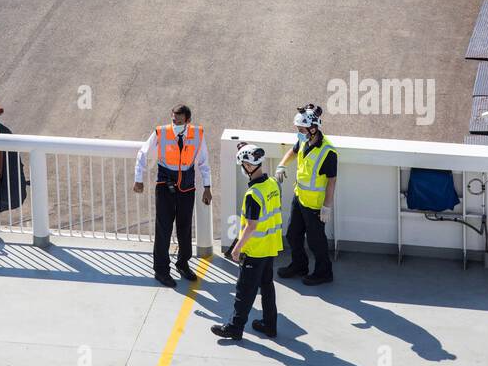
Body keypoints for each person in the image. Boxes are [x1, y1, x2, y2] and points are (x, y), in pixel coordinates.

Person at [134, 104, 212, 286]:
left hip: (187, 186)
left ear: (188, 121)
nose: (175, 123)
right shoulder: (161, 132)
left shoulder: (197, 134)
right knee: (164, 228)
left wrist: (207, 187)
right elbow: (143, 154)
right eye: (173, 119)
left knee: (185, 227)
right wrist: (139, 178)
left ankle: (183, 263)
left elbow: (203, 162)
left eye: (179, 120)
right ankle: (161, 271)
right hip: (165, 185)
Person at [211, 144, 282, 342]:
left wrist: (236, 249)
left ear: (249, 166)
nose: (242, 168)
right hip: (271, 246)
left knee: (244, 291)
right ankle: (270, 325)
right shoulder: (273, 184)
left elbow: (251, 226)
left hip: (255, 250)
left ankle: (234, 328)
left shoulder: (253, 194)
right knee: (267, 286)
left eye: (243, 164)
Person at [276, 104, 337, 285]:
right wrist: (282, 164)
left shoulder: (328, 152)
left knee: (316, 241)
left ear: (313, 128)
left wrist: (327, 207)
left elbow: (332, 181)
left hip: (315, 206)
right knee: (293, 234)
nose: (298, 133)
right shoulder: (304, 140)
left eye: (301, 130)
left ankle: (324, 273)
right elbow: (293, 151)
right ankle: (299, 266)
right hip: (299, 198)